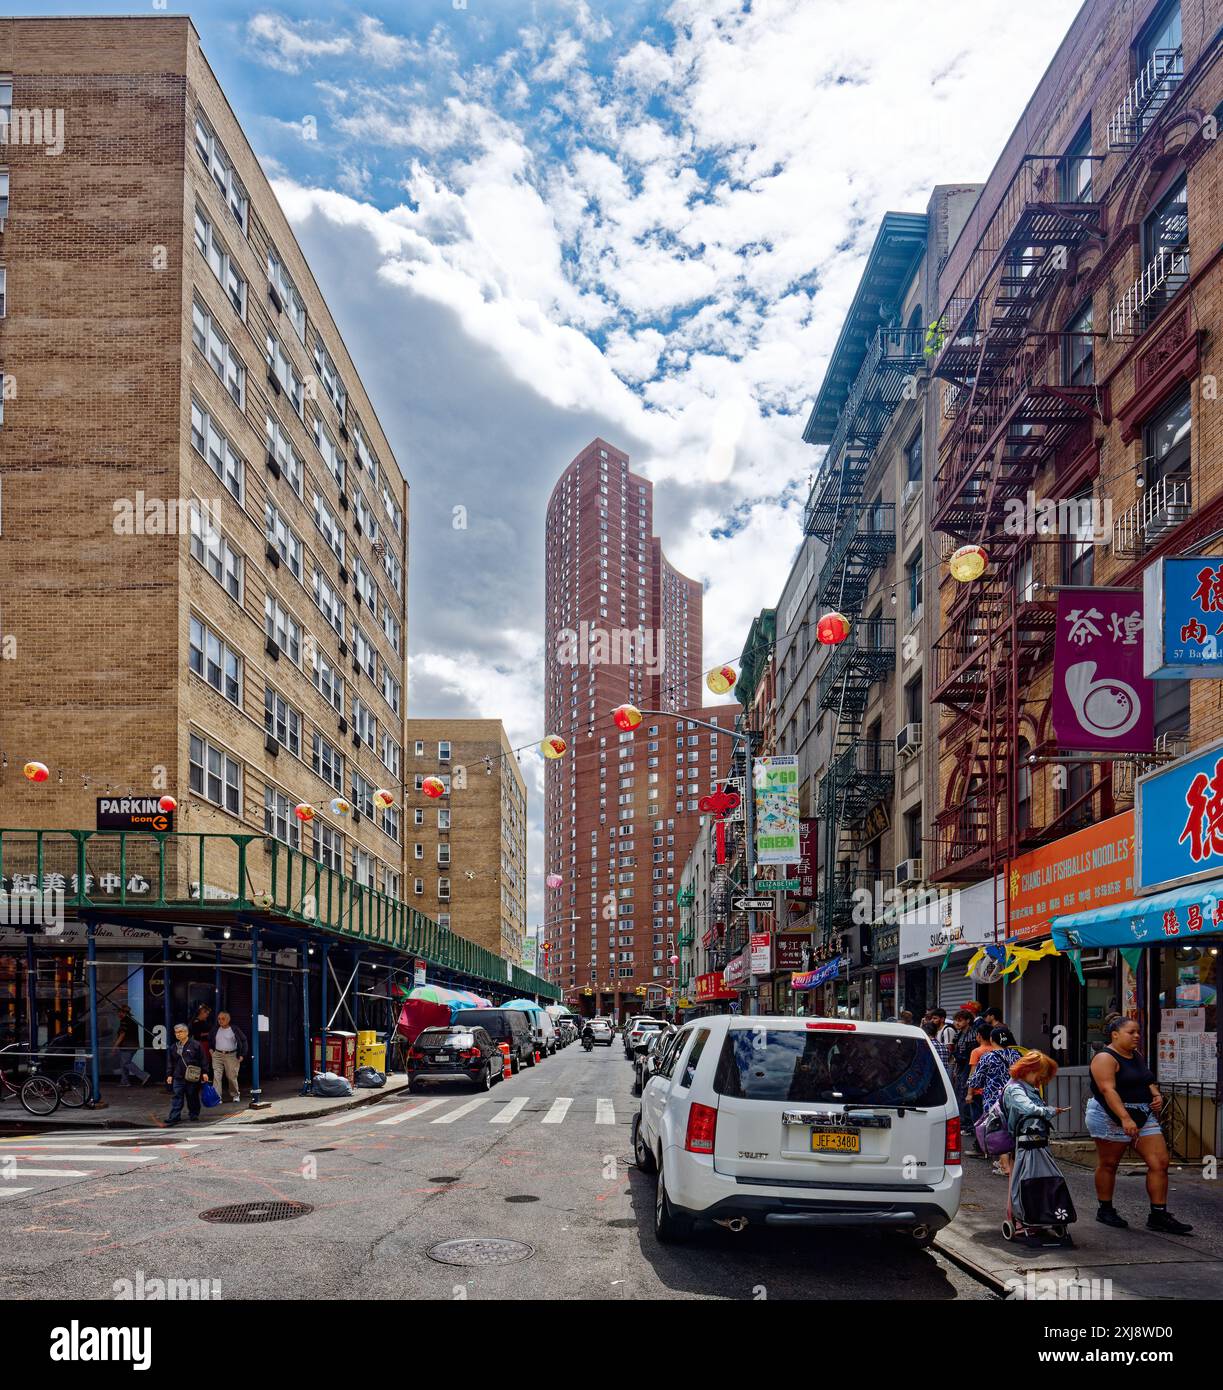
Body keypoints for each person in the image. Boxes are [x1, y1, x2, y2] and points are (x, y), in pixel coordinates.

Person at [1088, 1015, 1192, 1234]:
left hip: (1143, 1113)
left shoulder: (1136, 1055)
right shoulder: (1104, 1058)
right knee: (1109, 1163)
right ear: (1115, 1035)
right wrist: (1125, 1118)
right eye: (1131, 1032)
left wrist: (1155, 1093)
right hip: (1110, 1115)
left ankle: (1158, 1214)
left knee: (1160, 1162)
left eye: (1138, 1032)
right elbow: (1108, 1090)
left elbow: (1146, 1078)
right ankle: (1105, 1209)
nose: (1136, 1036)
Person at [968, 1027, 1023, 1174]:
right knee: (1012, 1128)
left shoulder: (988, 1056)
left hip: (993, 1098)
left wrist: (970, 1089)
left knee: (998, 1129)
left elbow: (976, 1080)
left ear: (992, 1040)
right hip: (1014, 1097)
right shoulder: (1016, 1054)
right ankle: (1008, 1163)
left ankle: (1006, 1167)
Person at [165, 1023, 209, 1126]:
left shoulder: (196, 1045)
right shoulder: (174, 1047)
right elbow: (170, 1062)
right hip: (178, 1077)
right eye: (176, 1032)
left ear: (187, 1032)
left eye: (180, 1032)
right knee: (177, 1097)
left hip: (192, 1077)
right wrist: (169, 1075)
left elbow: (203, 1059)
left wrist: (205, 1072)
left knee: (192, 1096)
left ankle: (194, 1114)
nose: (178, 1034)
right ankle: (174, 1117)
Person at [208, 1010, 248, 1103]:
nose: (220, 1021)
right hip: (217, 1055)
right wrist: (211, 1050)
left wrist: (242, 1054)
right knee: (217, 1076)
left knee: (231, 1076)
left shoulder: (234, 1029)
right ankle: (217, 1097)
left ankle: (235, 1094)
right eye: (219, 1019)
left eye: (223, 1018)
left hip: (231, 1055)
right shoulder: (215, 1029)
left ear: (228, 1019)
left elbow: (244, 1040)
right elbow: (210, 1039)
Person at [112, 1005, 150, 1088]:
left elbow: (122, 1035)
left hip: (127, 1046)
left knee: (126, 1062)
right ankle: (124, 1081)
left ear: (123, 1012)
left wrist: (115, 1046)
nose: (118, 1014)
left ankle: (144, 1076)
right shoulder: (132, 1020)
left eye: (119, 1012)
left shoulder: (125, 1021)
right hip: (132, 1045)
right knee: (123, 1063)